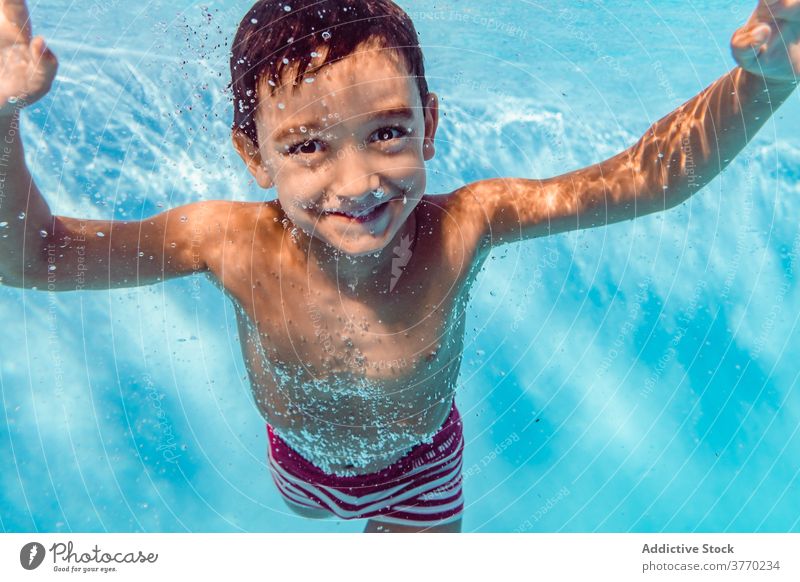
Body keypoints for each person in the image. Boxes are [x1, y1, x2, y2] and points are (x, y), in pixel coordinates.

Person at [0, 0, 797, 533]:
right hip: (299, 466)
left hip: (422, 471)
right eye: (307, 146)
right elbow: (37, 258)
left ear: (431, 121)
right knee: (309, 515)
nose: (357, 185)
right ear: (253, 155)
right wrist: (2, 121)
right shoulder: (229, 244)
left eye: (387, 133)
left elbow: (647, 178)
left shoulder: (468, 226)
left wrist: (763, 86)